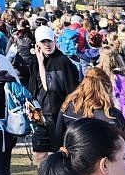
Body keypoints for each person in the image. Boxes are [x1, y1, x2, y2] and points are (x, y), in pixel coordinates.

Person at [56, 68, 125, 175]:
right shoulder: (112, 116)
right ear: (107, 87)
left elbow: (58, 139)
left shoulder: (67, 109)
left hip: (75, 171)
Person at [16, 25, 80, 164]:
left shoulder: (62, 61)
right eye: (43, 41)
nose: (47, 45)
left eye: (49, 41)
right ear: (37, 43)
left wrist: (41, 64)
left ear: (54, 41)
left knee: (58, 156)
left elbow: (51, 88)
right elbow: (33, 87)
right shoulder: (35, 61)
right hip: (40, 115)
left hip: (58, 116)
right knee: (38, 155)